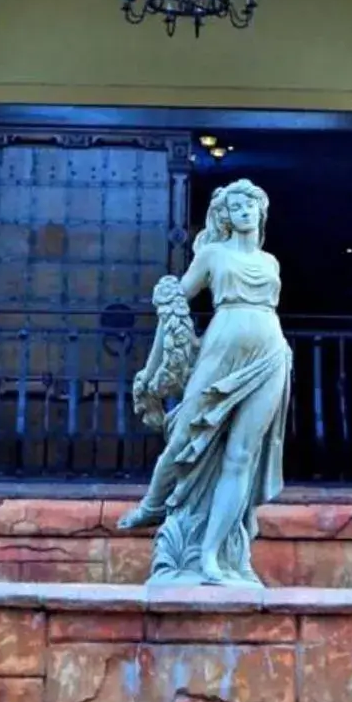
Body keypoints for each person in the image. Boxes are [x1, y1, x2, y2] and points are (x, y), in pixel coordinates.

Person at [116, 180, 292, 586]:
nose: (244, 210)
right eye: (236, 205)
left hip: (270, 354)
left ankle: (212, 556)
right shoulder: (212, 254)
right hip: (221, 350)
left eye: (251, 203)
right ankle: (152, 504)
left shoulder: (271, 262)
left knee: (241, 457)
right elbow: (174, 304)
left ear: (261, 210)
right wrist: (156, 364)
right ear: (225, 216)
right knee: (184, 435)